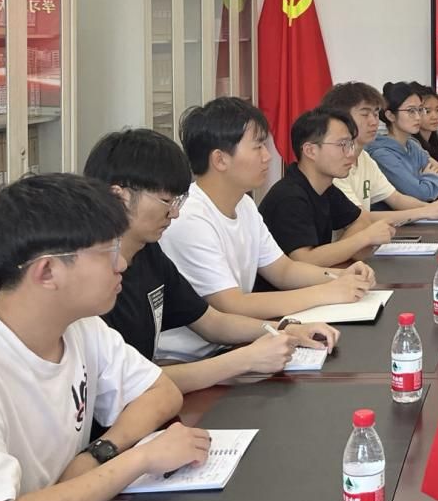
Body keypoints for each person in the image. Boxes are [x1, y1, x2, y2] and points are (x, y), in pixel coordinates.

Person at [0, 173, 210, 501]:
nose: (122, 263)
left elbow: (160, 391)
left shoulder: (80, 325)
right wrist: (139, 459)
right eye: (108, 251)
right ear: (47, 272)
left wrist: (97, 453)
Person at [84, 128, 340, 392]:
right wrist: (243, 360)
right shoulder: (89, 281)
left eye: (177, 201)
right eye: (166, 201)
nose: (174, 213)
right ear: (120, 197)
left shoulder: (148, 252)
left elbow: (211, 321)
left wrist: (284, 330)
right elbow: (131, 382)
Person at [157, 98, 375, 360]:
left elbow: (283, 270)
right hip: (186, 359)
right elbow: (231, 304)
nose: (267, 156)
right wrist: (326, 292)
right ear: (220, 159)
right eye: (258, 146)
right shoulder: (190, 218)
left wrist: (339, 277)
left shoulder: (244, 204)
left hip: (235, 343)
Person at [258, 107, 399, 266]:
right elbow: (304, 260)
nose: (350, 154)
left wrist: (339, 252)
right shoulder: (289, 197)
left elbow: (361, 220)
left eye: (350, 144)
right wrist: (364, 239)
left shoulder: (326, 188)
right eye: (342, 144)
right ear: (310, 151)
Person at [319, 81, 438, 223]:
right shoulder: (333, 164)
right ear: (341, 119)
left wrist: (432, 208)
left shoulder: (364, 158)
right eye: (365, 114)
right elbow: (360, 218)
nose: (373, 122)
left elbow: (396, 198)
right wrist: (424, 211)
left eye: (376, 114)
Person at [366, 81, 438, 202]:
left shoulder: (413, 146)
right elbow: (420, 194)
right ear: (391, 116)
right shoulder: (382, 154)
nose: (418, 117)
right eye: (411, 111)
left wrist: (423, 182)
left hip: (424, 211)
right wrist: (429, 177)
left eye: (420, 110)